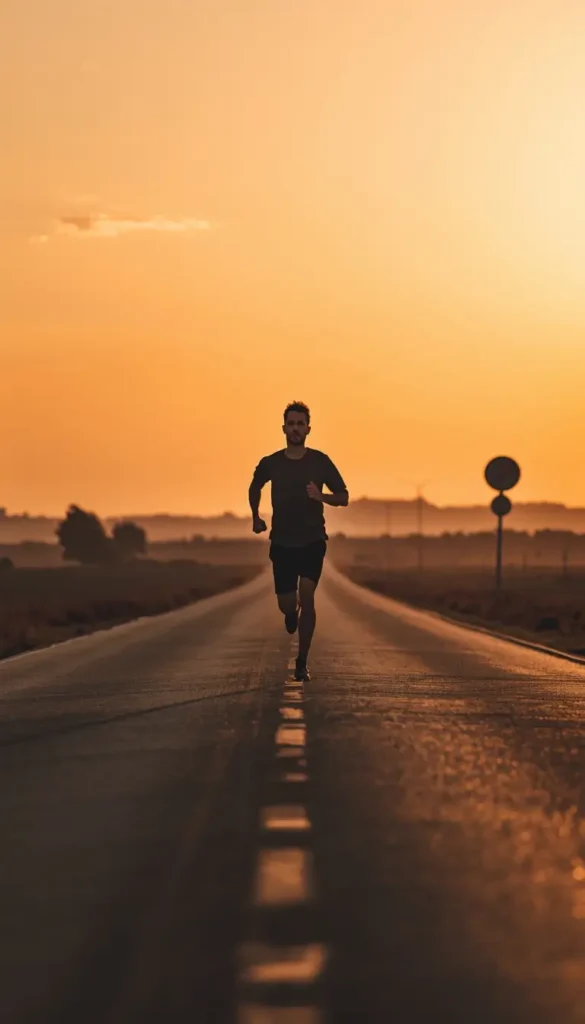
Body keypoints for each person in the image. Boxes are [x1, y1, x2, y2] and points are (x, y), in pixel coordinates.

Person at [249, 401, 349, 681]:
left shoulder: (320, 461)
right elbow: (255, 486)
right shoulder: (272, 463)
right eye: (291, 424)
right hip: (282, 541)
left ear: (308, 429)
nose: (295, 428)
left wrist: (321, 497)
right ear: (284, 428)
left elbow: (343, 496)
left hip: (312, 540)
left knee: (308, 593)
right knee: (286, 603)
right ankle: (290, 614)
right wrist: (256, 517)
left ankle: (302, 661)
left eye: (300, 424)